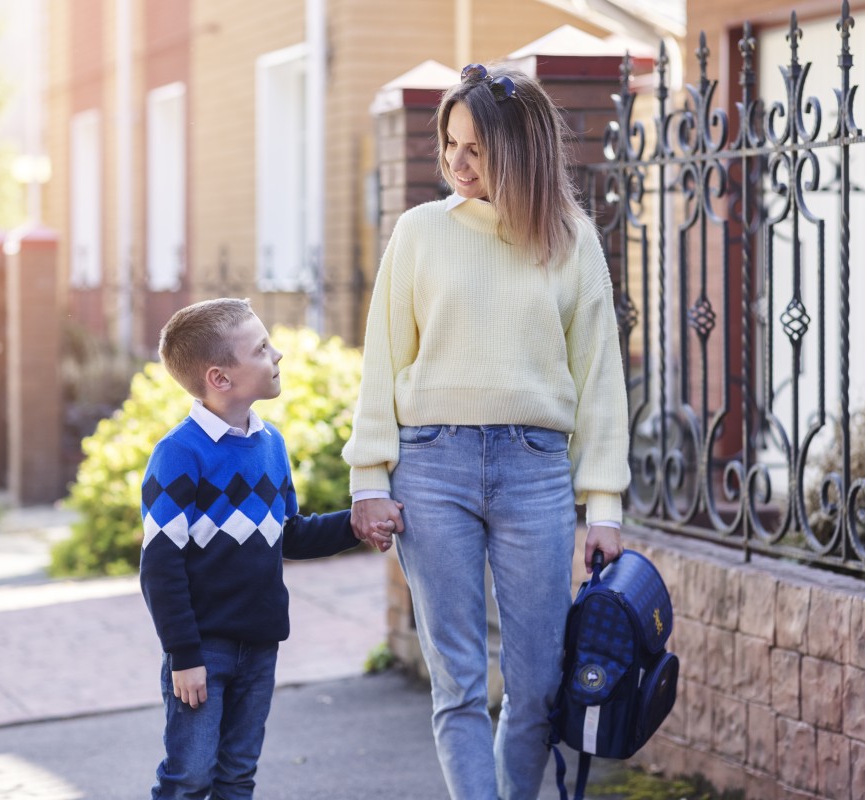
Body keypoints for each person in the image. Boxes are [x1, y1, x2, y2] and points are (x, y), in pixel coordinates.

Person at [343, 63, 631, 800]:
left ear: (520, 148)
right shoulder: (420, 232)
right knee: (460, 684)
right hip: (430, 466)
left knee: (537, 687)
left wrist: (603, 504)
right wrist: (368, 478)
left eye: (475, 147)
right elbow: (383, 359)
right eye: (450, 144)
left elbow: (600, 379)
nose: (457, 162)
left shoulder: (571, 241)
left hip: (536, 470)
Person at [140, 297, 394, 800]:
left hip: (259, 645)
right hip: (203, 650)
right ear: (220, 378)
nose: (277, 355)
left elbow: (288, 533)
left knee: (237, 774)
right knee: (190, 776)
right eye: (260, 349)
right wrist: (183, 655)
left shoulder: (270, 444)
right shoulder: (178, 454)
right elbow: (160, 566)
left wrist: (357, 524)